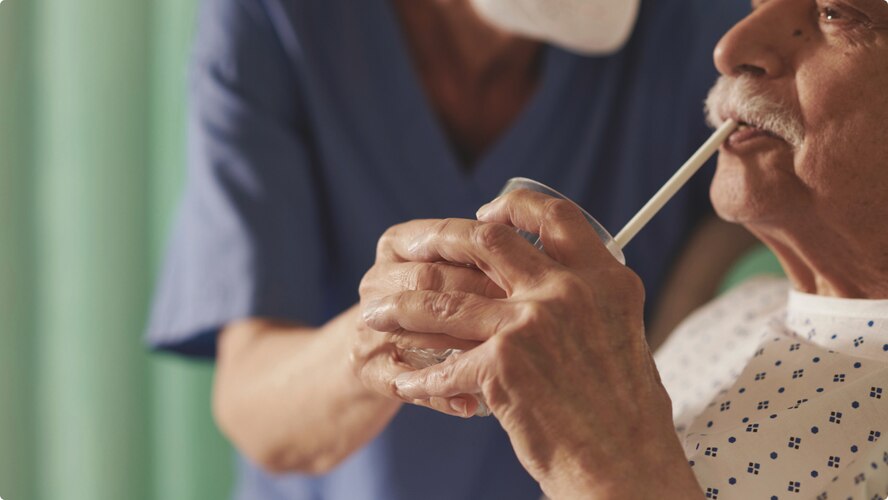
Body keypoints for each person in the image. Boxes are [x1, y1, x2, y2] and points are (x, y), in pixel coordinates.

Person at [146, 0, 753, 498]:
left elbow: (733, 215)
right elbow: (256, 403)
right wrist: (380, 334)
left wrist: (681, 301)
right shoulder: (282, 22)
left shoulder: (710, 31)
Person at [357, 0, 888, 498]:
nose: (729, 48)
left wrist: (593, 460)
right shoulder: (734, 312)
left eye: (832, 12)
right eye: (755, 5)